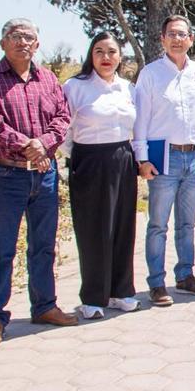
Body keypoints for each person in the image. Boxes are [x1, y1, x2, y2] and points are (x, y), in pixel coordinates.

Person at [0, 18, 77, 347]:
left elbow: (62, 118)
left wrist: (42, 143)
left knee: (44, 245)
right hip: (7, 174)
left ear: (38, 44)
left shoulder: (48, 79)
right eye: (15, 37)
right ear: (3, 43)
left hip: (44, 174)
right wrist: (28, 145)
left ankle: (44, 306)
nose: (23, 42)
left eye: (29, 37)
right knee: (2, 248)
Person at [133, 16, 195, 304]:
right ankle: (156, 283)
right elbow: (140, 120)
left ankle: (185, 276)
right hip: (164, 156)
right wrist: (142, 158)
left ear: (191, 40)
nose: (176, 39)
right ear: (162, 39)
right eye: (171, 34)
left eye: (182, 34)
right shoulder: (150, 74)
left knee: (187, 223)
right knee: (158, 223)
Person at [61, 32, 139, 320]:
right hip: (90, 160)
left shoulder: (128, 88)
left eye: (112, 52)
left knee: (123, 226)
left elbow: (137, 126)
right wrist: (76, 158)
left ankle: (121, 291)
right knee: (94, 230)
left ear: (120, 57)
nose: (106, 58)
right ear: (90, 56)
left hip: (123, 158)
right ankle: (93, 297)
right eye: (99, 51)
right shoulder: (75, 87)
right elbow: (64, 129)